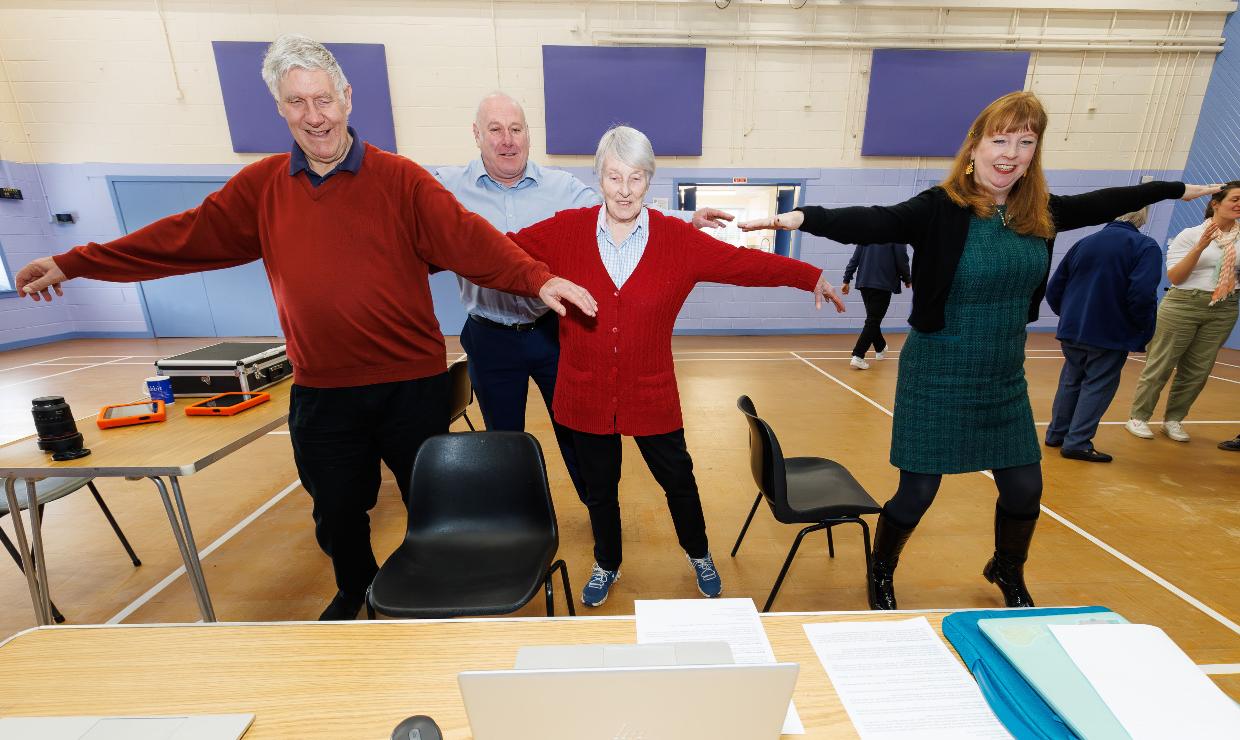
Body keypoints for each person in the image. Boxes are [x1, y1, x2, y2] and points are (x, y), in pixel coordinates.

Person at [13, 35, 597, 622]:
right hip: (323, 391)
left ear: (346, 97)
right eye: (297, 103)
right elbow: (179, 239)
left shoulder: (402, 180)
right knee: (337, 510)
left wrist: (537, 279)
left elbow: (472, 240)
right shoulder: (262, 187)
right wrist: (75, 260)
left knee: (434, 501)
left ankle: (438, 592)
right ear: (280, 108)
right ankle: (357, 591)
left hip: (410, 386)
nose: (314, 117)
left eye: (323, 100)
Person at [739, 91, 1218, 610]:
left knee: (1024, 491)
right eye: (1000, 139)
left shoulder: (1043, 214)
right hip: (937, 371)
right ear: (975, 146)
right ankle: (881, 571)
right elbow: (874, 220)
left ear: (1035, 153)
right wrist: (801, 217)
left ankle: (1006, 569)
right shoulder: (939, 209)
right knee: (917, 494)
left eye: (1025, 141)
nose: (1010, 152)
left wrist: (1182, 189)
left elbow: (1113, 198)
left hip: (1002, 377)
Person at [508, 126, 844, 607]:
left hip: (651, 392)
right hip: (584, 393)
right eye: (614, 177)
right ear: (599, 178)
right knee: (599, 491)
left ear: (650, 181)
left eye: (637, 178)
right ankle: (607, 562)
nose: (624, 190)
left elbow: (745, 266)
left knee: (679, 482)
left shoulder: (677, 240)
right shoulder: (566, 229)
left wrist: (808, 275)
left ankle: (699, 553)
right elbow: (500, 249)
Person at [433, 93, 731, 503]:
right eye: (496, 130)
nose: (507, 140)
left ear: (528, 135)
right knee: (503, 441)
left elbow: (620, 207)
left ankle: (598, 513)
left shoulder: (561, 187)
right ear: (477, 134)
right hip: (490, 336)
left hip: (551, 332)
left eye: (516, 129)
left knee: (577, 433)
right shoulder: (447, 188)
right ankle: (518, 521)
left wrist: (684, 222)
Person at [1043, 209, 1163, 462]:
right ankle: (1077, 442)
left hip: (1074, 327)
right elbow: (1142, 294)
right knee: (1098, 384)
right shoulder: (1145, 246)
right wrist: (1143, 328)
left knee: (1071, 379)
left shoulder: (1085, 242)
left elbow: (1055, 287)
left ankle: (1057, 434)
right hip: (1110, 330)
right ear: (1142, 216)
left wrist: (1067, 314)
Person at [1125, 181, 1240, 443]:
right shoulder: (1190, 234)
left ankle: (1173, 420)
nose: (1239, 204)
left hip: (1224, 306)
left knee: (1198, 370)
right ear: (1215, 203)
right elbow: (1176, 277)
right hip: (1184, 304)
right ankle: (1138, 417)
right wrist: (1200, 247)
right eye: (1234, 199)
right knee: (1161, 364)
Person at [841, 243, 910, 369]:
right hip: (882, 283)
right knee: (873, 320)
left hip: (864, 283)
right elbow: (902, 258)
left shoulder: (866, 230)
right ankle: (858, 355)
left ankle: (880, 347)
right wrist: (907, 278)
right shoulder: (898, 233)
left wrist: (847, 279)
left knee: (873, 319)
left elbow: (855, 257)